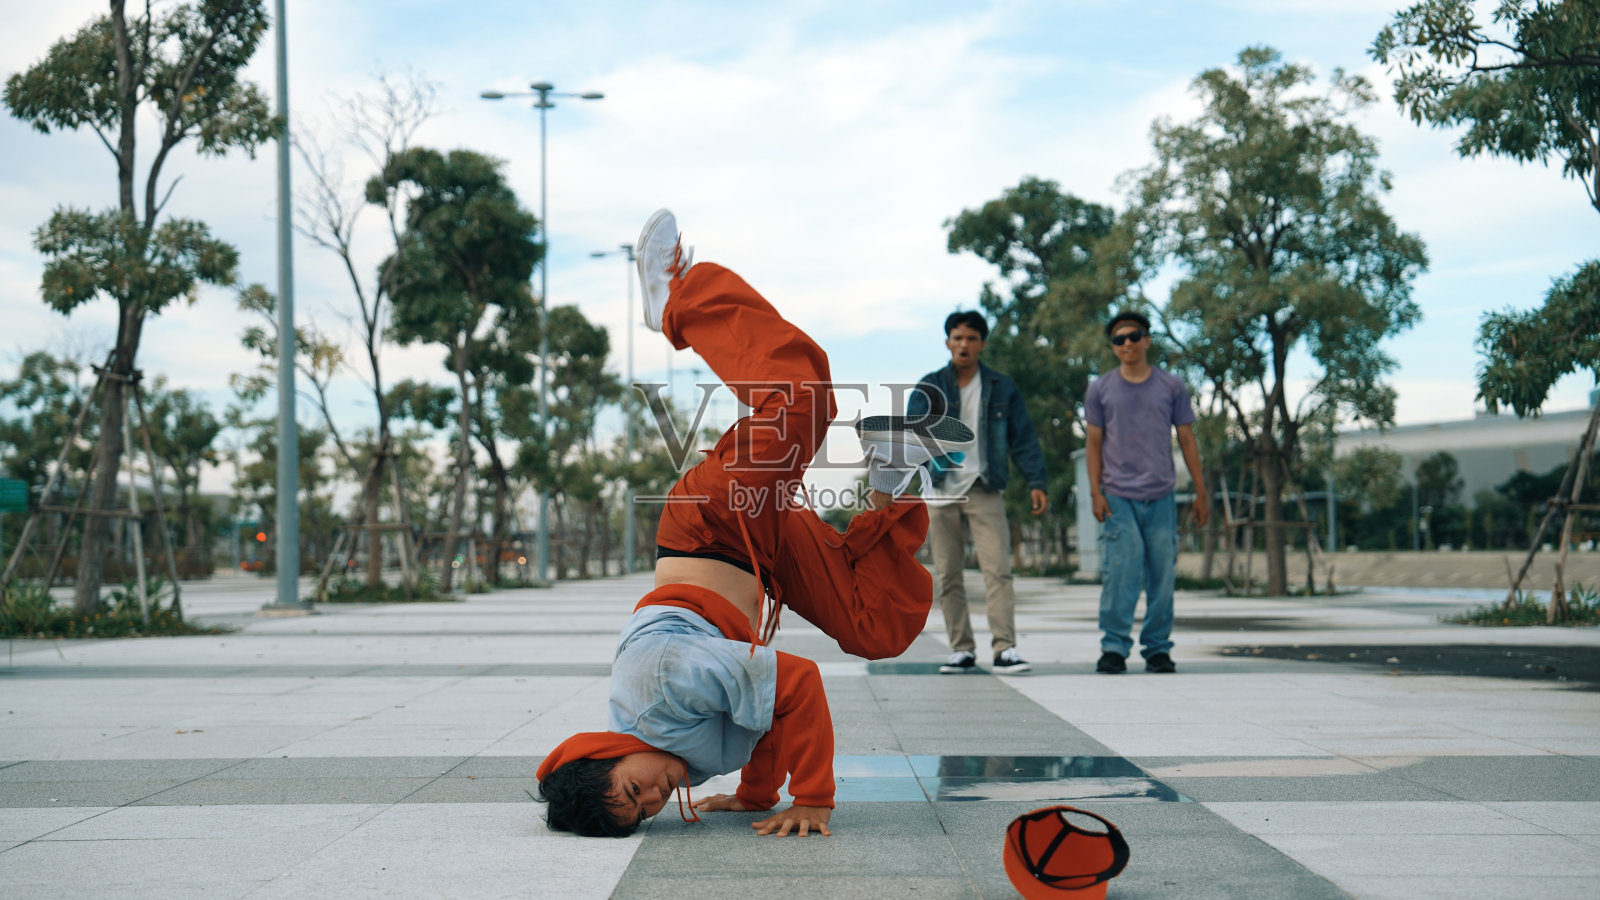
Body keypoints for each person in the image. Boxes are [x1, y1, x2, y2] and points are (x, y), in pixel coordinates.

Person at [535, 209, 974, 838]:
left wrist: (813, 798)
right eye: (646, 811)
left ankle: (675, 297)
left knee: (803, 397)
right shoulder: (685, 758)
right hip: (761, 558)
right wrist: (756, 793)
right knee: (875, 626)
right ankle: (892, 471)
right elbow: (760, 714)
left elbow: (795, 681)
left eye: (632, 789)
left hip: (710, 524)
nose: (655, 795)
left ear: (606, 752)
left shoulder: (658, 691)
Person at [908, 311, 1048, 676]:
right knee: (948, 573)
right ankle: (962, 650)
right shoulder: (929, 386)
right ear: (947, 342)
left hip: (984, 486)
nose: (964, 345)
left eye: (971, 338)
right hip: (941, 489)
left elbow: (1023, 437)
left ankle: (1005, 649)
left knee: (997, 570)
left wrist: (1036, 481)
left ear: (982, 343)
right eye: (957, 338)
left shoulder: (1002, 387)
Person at [1084, 312, 1209, 674]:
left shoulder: (1171, 386)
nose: (1127, 344)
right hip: (1117, 494)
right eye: (1119, 339)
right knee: (1121, 571)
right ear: (1113, 347)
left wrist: (1201, 492)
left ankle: (1157, 648)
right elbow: (1093, 442)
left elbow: (1187, 438)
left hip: (1161, 494)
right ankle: (1113, 647)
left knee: (1162, 574)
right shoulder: (1100, 388)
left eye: (1134, 336)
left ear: (1147, 340)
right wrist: (1095, 491)